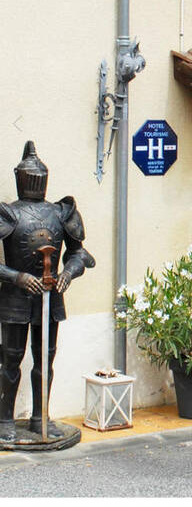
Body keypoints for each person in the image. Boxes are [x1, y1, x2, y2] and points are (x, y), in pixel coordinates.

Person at [0, 141, 95, 443]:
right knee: (11, 359)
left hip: (50, 295)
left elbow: (80, 253)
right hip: (14, 299)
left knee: (44, 360)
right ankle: (4, 419)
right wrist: (17, 277)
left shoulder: (60, 212)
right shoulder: (8, 213)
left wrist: (67, 273)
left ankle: (40, 417)